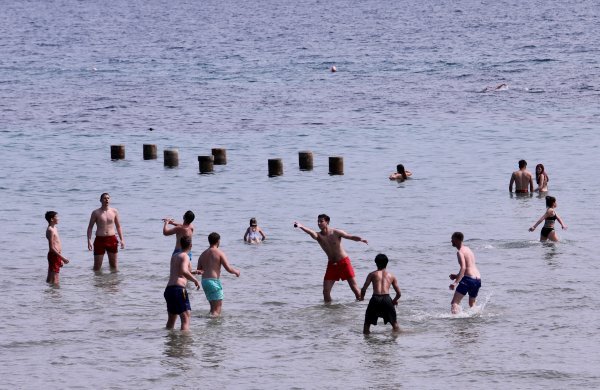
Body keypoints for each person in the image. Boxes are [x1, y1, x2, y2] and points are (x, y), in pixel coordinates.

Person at [294, 214, 368, 302]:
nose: (319, 223)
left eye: (321, 221)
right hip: (332, 265)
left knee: (355, 288)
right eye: (318, 221)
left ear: (327, 222)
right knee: (326, 291)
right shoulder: (318, 236)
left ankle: (362, 307)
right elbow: (311, 232)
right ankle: (328, 312)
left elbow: (349, 236)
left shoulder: (336, 232)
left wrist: (360, 239)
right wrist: (301, 226)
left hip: (344, 262)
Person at [196, 232, 240, 317]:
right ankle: (214, 328)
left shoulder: (203, 254)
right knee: (217, 309)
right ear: (218, 241)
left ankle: (209, 325)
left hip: (205, 282)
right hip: (214, 282)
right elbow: (228, 268)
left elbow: (199, 270)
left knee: (213, 308)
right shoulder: (219, 253)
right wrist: (236, 272)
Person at [164, 236, 201, 331]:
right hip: (178, 290)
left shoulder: (175, 256)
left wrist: (194, 272)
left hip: (169, 290)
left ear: (180, 244)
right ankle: (184, 344)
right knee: (186, 318)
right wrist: (195, 280)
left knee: (171, 319)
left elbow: (179, 272)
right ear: (191, 245)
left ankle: (170, 342)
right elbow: (184, 271)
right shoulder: (185, 256)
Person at [360, 254, 401, 334]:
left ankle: (367, 343)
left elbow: (364, 289)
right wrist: (394, 301)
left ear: (376, 263)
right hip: (387, 298)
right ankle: (394, 342)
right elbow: (399, 293)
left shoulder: (372, 274)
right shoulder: (391, 276)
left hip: (375, 298)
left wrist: (362, 298)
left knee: (367, 324)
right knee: (394, 323)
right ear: (387, 263)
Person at [87, 193, 125, 271]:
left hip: (112, 239)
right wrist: (89, 240)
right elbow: (90, 227)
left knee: (114, 266)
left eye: (108, 198)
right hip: (99, 240)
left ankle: (113, 282)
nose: (106, 199)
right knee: (97, 267)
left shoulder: (114, 211)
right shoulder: (96, 212)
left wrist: (122, 240)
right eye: (104, 198)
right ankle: (98, 282)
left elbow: (118, 226)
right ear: (100, 200)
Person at [448, 232, 481, 314]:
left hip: (468, 279)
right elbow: (469, 268)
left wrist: (455, 283)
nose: (451, 241)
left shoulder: (460, 252)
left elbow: (463, 267)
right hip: (477, 280)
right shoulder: (468, 249)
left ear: (456, 239)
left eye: (452, 239)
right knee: (472, 304)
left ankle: (455, 323)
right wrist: (457, 276)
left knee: (454, 303)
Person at [45, 211, 70, 285]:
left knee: (50, 276)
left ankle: (48, 292)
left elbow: (57, 244)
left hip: (56, 255)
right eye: (57, 217)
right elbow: (52, 248)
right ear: (52, 219)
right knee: (55, 278)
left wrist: (60, 258)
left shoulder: (55, 228)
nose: (58, 218)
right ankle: (56, 295)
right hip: (54, 255)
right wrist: (63, 258)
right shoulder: (50, 230)